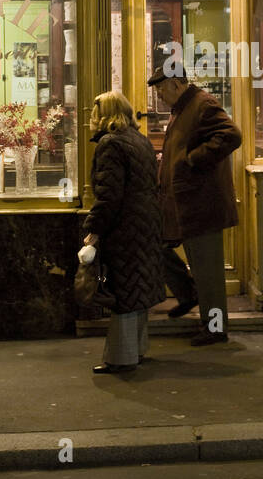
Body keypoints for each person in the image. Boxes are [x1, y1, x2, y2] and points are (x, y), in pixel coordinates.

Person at [148, 65, 242, 346]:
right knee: (158, 247)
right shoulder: (183, 108)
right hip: (182, 204)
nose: (159, 96)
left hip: (202, 206)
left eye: (161, 89)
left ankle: (215, 329)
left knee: (209, 273)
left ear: (176, 84)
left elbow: (232, 135)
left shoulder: (203, 104)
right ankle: (188, 294)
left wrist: (193, 160)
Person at [81, 90, 164, 374]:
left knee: (123, 292)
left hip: (124, 228)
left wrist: (93, 231)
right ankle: (137, 349)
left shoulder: (110, 144)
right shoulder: (139, 140)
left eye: (94, 113)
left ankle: (121, 357)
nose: (91, 119)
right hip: (145, 224)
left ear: (104, 115)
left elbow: (109, 196)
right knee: (137, 289)